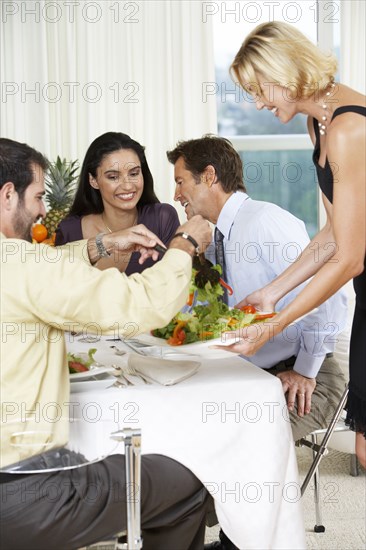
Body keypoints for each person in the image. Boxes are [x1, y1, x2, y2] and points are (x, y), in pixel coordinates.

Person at [0, 137, 212, 550]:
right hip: (22, 491)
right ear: (8, 195)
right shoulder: (22, 263)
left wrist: (105, 244)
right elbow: (141, 304)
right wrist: (184, 245)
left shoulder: (24, 265)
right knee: (189, 481)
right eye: (38, 196)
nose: (43, 209)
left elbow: (46, 270)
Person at [167, 134, 347, 550]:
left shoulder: (264, 221)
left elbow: (332, 294)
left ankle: (240, 541)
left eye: (182, 182)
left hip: (309, 378)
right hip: (257, 372)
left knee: (244, 443)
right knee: (197, 429)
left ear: (209, 176)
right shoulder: (220, 236)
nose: (176, 194)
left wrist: (305, 370)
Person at [228, 21, 366, 469]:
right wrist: (271, 293)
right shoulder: (318, 123)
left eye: (258, 88)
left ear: (284, 71)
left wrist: (274, 324)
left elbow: (348, 257)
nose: (257, 102)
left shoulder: (349, 128)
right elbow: (331, 234)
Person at [56, 131, 180, 274]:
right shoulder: (69, 231)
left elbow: (177, 281)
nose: (127, 186)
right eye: (113, 177)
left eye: (134, 174)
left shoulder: (162, 218)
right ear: (93, 180)